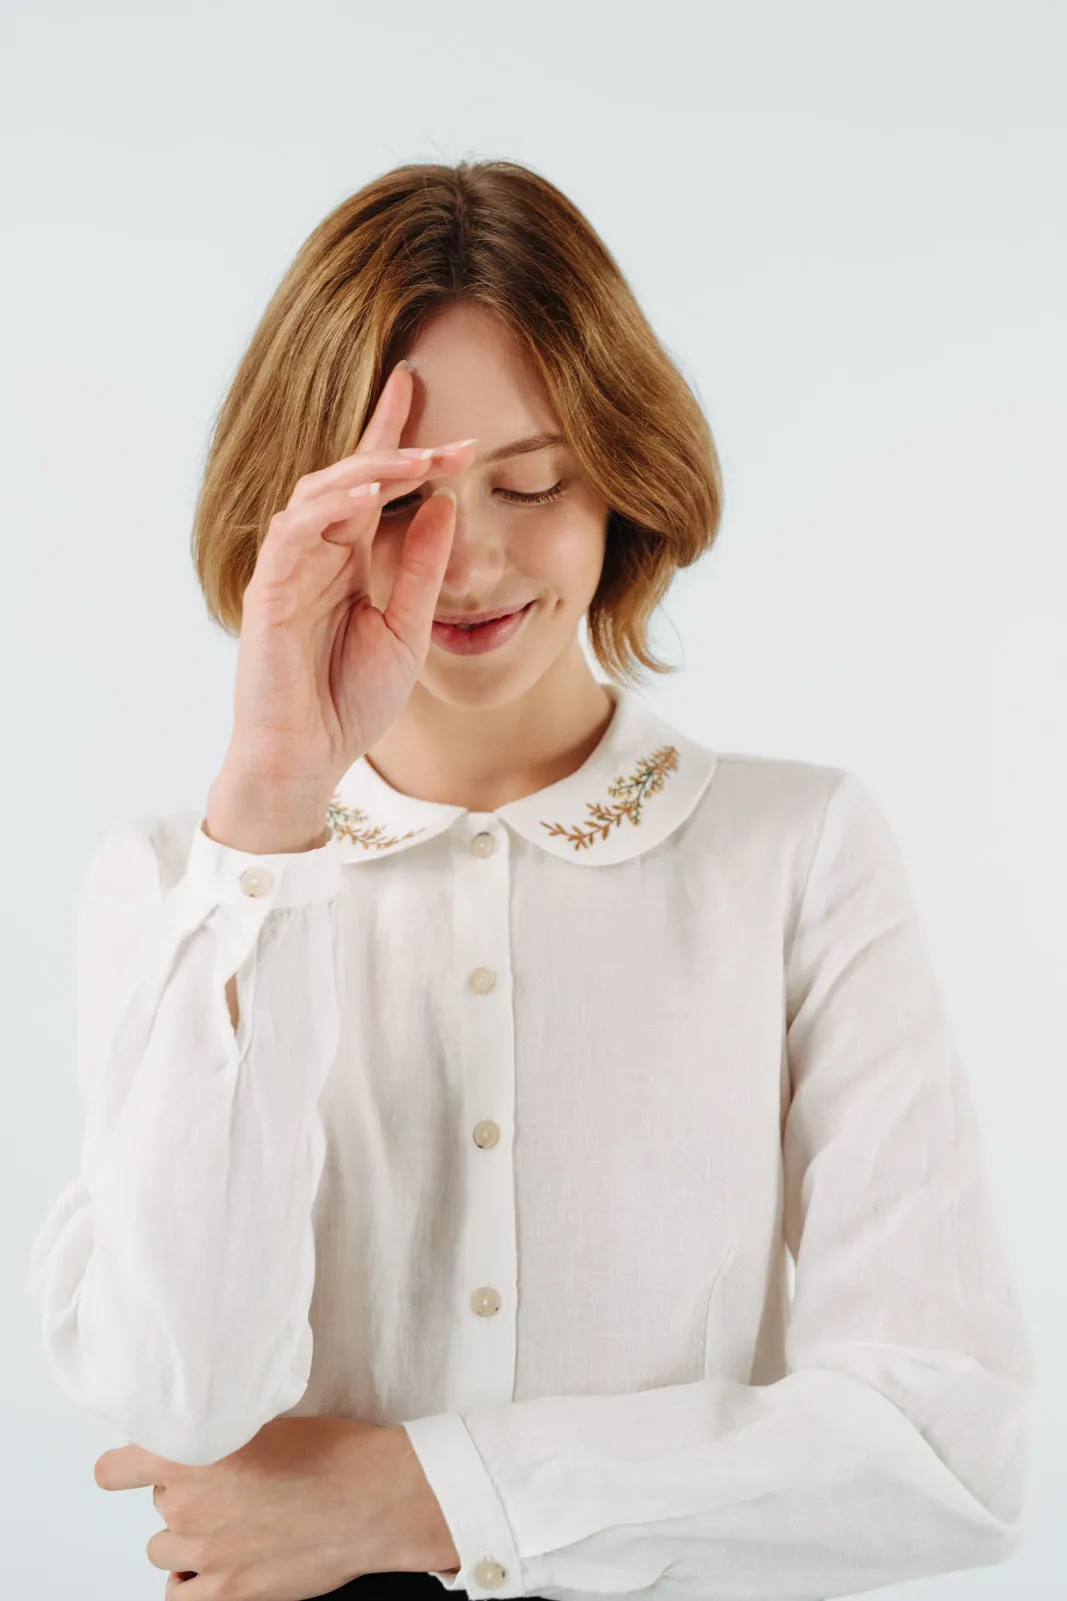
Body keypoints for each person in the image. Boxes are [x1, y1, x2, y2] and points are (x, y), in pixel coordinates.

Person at [27, 159, 1033, 1601]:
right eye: (398, 501)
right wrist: (265, 818)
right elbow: (184, 1396)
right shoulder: (180, 889)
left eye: (531, 482)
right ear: (295, 511)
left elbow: (946, 1445)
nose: (470, 558)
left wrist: (415, 1500)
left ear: (622, 480)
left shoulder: (794, 850)